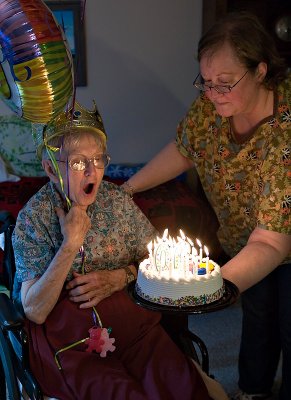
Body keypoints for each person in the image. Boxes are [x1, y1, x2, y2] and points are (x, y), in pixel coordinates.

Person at [122, 11, 291, 400]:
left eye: (225, 84)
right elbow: (184, 149)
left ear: (261, 71)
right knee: (258, 312)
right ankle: (253, 389)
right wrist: (127, 188)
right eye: (207, 83)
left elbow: (272, 242)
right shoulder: (211, 107)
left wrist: (215, 289)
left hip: (279, 239)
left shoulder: (284, 133)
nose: (213, 94)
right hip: (244, 238)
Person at [11, 101, 228, 400]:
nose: (93, 172)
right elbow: (34, 311)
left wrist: (122, 275)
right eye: (78, 163)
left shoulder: (117, 201)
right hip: (73, 345)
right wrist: (69, 245)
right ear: (50, 168)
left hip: (135, 328)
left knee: (182, 386)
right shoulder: (32, 218)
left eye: (99, 160)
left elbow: (160, 262)